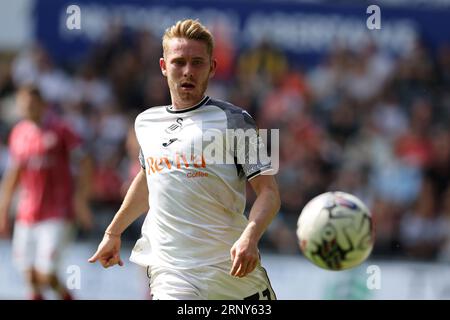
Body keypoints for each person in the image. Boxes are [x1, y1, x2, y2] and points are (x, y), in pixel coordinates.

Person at [88, 19, 281, 300]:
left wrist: (251, 236)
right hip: (172, 272)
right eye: (179, 62)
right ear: (164, 66)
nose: (188, 71)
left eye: (197, 63)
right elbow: (148, 179)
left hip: (233, 271)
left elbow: (270, 193)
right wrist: (113, 231)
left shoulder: (237, 120)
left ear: (212, 68)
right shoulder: (146, 122)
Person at [0, 85, 93, 300]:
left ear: (43, 105)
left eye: (32, 104)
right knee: (30, 276)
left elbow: (86, 161)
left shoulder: (61, 129)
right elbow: (14, 174)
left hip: (57, 212)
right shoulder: (19, 133)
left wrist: (81, 199)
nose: (28, 108)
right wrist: (4, 210)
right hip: (27, 212)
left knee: (46, 273)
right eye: (24, 105)